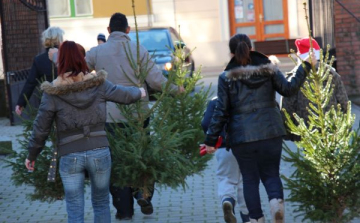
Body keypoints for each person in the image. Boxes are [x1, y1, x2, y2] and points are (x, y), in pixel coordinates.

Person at [24, 41, 146, 223]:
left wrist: (32, 154)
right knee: (101, 202)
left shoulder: (52, 92)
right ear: (82, 59)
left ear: (60, 62)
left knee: (74, 205)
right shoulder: (98, 84)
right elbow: (122, 94)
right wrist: (140, 92)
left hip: (70, 154)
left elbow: (41, 127)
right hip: (99, 151)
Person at [204, 34, 314, 223]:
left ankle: (256, 219)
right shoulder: (269, 70)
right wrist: (306, 66)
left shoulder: (225, 78)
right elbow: (288, 89)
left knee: (249, 179)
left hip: (242, 137)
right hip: (271, 131)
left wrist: (210, 141)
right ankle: (276, 204)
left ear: (231, 52)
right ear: (251, 48)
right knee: (271, 173)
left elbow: (220, 112)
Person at [86, 12, 181, 220]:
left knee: (116, 162)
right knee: (143, 156)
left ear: (109, 30)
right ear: (128, 30)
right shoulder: (139, 50)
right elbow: (156, 81)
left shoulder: (96, 52)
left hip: (109, 117)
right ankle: (143, 193)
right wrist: (178, 89)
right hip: (138, 116)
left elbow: (79, 71)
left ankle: (124, 210)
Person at [280, 37, 349, 141]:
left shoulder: (294, 78)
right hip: (331, 128)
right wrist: (346, 126)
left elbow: (287, 107)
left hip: (305, 131)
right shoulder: (331, 74)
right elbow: (343, 101)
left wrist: (289, 132)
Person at [201, 97, 250, 223]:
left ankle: (227, 200)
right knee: (246, 181)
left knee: (226, 178)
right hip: (246, 145)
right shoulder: (248, 97)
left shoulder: (215, 101)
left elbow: (206, 123)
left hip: (224, 147)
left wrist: (211, 140)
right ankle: (247, 217)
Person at [15, 26, 64, 116]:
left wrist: (21, 103)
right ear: (59, 39)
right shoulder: (67, 55)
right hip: (68, 99)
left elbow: (31, 83)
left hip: (49, 101)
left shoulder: (39, 60)